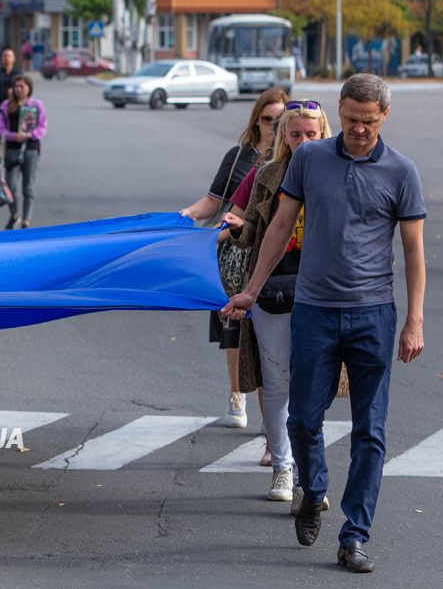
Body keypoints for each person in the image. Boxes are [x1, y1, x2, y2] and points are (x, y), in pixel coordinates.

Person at [223, 75, 426, 573]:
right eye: (352, 119)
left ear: (384, 117)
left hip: (373, 314)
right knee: (302, 420)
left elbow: (414, 250)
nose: (358, 130)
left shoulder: (402, 171)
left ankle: (355, 535)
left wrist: (414, 320)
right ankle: (313, 492)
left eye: (369, 122)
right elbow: (276, 225)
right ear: (341, 111)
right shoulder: (311, 160)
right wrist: (251, 288)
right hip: (313, 310)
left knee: (370, 431)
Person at [223, 101, 331, 504]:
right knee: (276, 381)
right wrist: (238, 228)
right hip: (272, 290)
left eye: (312, 134)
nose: (304, 141)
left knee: (311, 384)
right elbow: (251, 232)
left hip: (322, 292)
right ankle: (284, 468)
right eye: (296, 133)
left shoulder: (335, 172)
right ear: (284, 136)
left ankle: (308, 470)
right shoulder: (266, 174)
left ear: (323, 134)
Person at [179, 87, 289, 429]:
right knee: (236, 330)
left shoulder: (293, 160)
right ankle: (237, 393)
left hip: (272, 258)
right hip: (232, 255)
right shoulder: (240, 158)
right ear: (256, 120)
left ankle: (274, 426)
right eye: (267, 118)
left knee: (267, 336)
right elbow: (215, 203)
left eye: (278, 120)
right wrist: (186, 217)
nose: (272, 125)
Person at [0, 74, 48, 229]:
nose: (19, 90)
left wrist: (30, 135)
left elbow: (42, 126)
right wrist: (13, 136)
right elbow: (0, 129)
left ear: (29, 88)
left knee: (28, 187)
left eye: (22, 87)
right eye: (16, 87)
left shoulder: (36, 105)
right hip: (12, 149)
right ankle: (14, 214)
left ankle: (26, 220)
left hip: (31, 149)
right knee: (10, 186)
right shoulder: (6, 105)